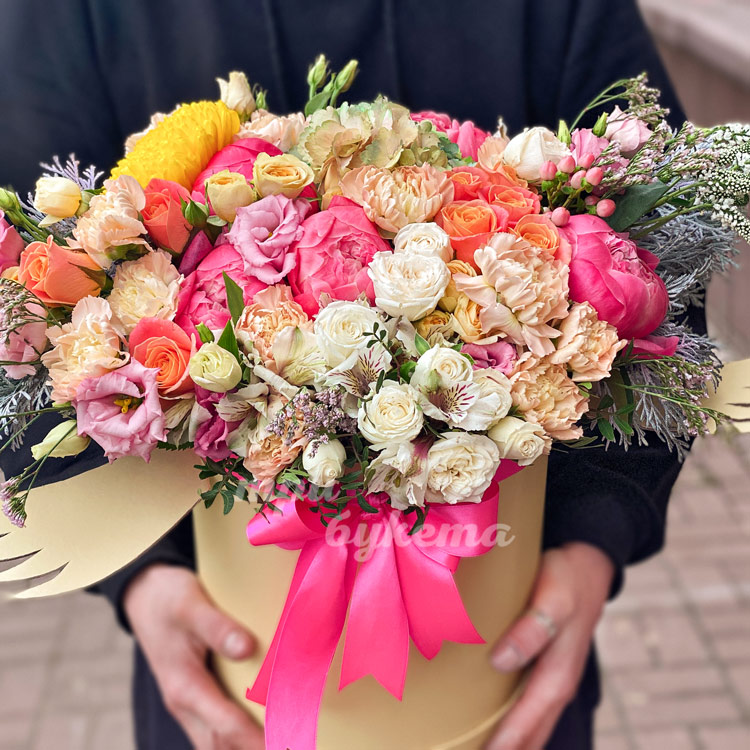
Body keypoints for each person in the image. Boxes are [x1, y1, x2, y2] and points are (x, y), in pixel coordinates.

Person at [0, 2, 691, 748]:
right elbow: (19, 302)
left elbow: (667, 262)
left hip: (509, 648)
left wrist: (596, 534)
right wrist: (137, 575)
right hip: (220, 672)